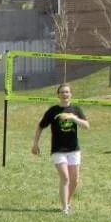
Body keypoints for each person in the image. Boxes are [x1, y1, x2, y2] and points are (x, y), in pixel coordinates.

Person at [32, 83, 90, 214]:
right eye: (62, 92)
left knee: (74, 180)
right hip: (58, 150)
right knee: (65, 177)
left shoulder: (76, 109)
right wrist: (35, 143)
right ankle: (64, 208)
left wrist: (72, 117)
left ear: (71, 94)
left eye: (67, 92)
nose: (65, 94)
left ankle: (67, 202)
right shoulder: (53, 111)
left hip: (74, 149)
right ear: (58, 95)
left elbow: (86, 126)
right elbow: (40, 126)